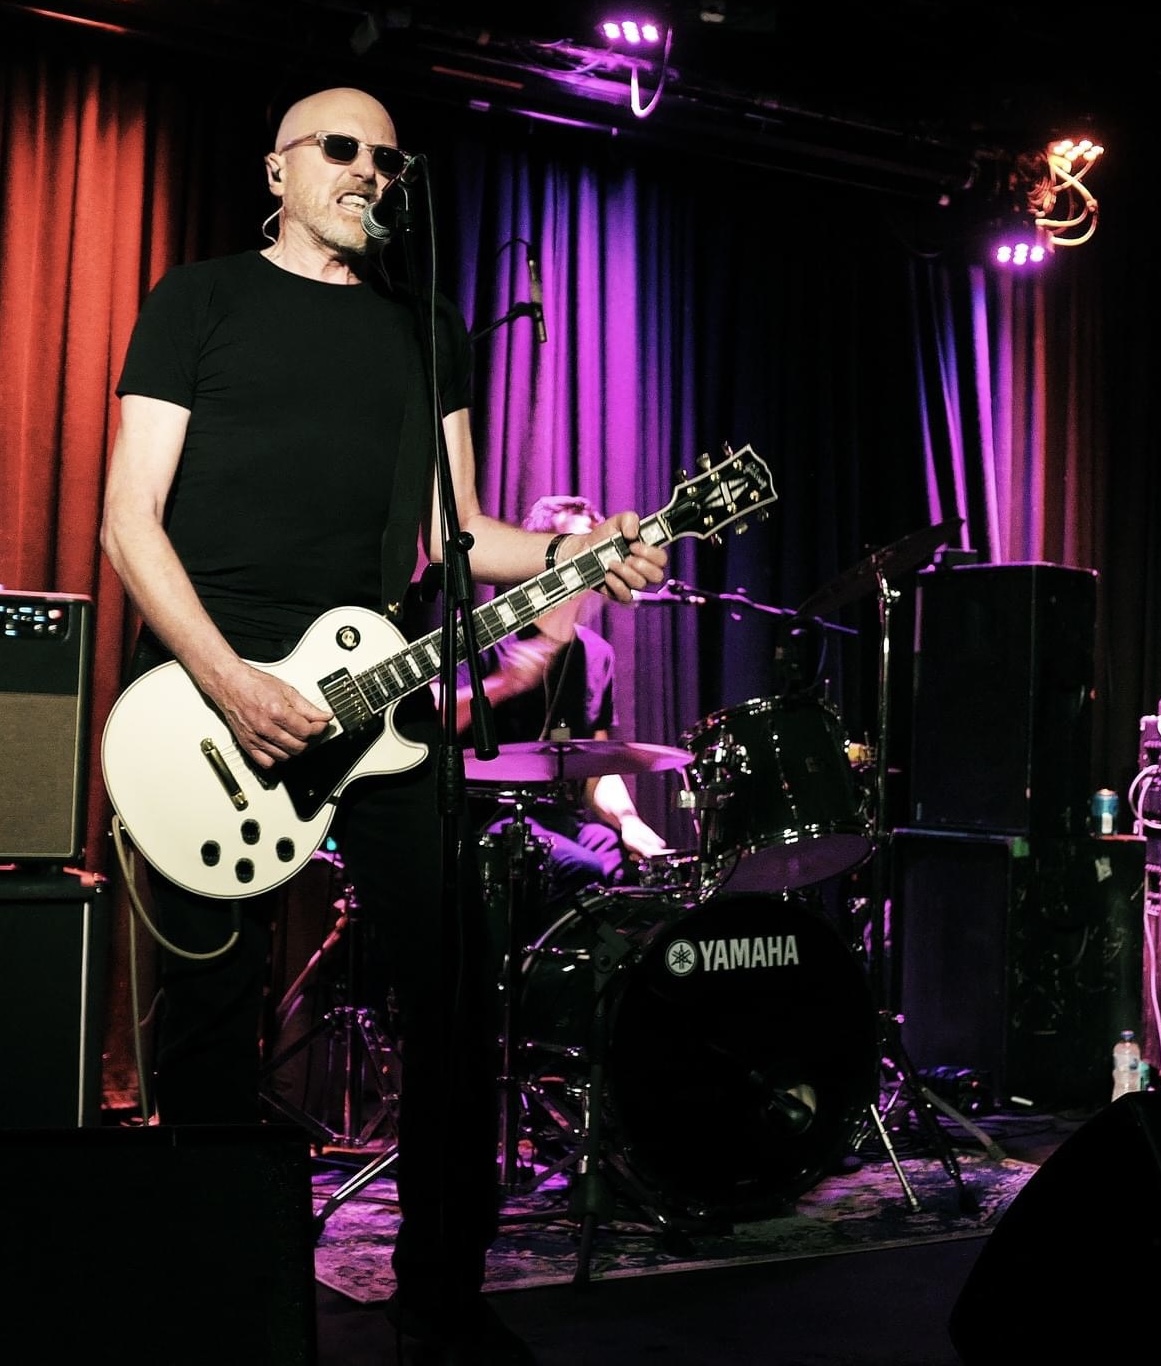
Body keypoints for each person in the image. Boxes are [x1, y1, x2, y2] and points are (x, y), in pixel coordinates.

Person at [99, 86, 666, 1364]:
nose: (368, 171)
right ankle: (219, 1298)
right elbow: (129, 518)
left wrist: (589, 545)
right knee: (207, 1018)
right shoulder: (200, 301)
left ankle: (443, 1290)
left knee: (457, 982)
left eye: (386, 158)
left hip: (374, 692)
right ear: (281, 168)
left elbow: (457, 535)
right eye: (342, 150)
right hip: (203, 692)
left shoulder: (426, 332)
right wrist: (233, 682)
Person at [448, 493, 671, 911]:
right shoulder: (486, 633)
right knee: (581, 869)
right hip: (490, 819)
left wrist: (628, 820)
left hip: (564, 820)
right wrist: (502, 684)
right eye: (577, 548)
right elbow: (434, 718)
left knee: (632, 877)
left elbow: (597, 767)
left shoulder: (597, 654)